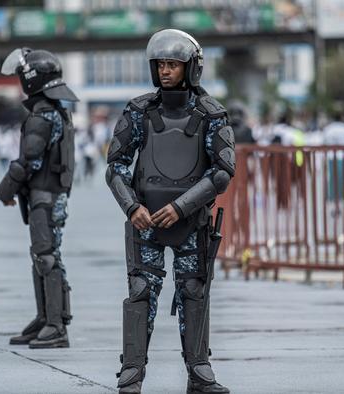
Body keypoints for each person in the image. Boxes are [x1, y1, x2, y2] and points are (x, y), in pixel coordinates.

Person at [106, 29, 233, 394]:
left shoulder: (212, 114)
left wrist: (181, 207)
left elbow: (222, 172)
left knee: (193, 290)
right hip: (144, 220)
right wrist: (132, 207)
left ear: (191, 68)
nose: (165, 71)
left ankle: (199, 371)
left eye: (173, 65)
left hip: (190, 222)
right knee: (141, 290)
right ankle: (132, 371)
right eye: (161, 64)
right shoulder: (138, 111)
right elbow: (115, 167)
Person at [0, 47, 77, 349]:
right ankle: (46, 319)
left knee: (46, 257)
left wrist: (4, 190)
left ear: (31, 79)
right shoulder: (56, 108)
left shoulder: (43, 114)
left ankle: (55, 326)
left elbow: (29, 160)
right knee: (43, 257)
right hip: (48, 194)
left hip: (45, 196)